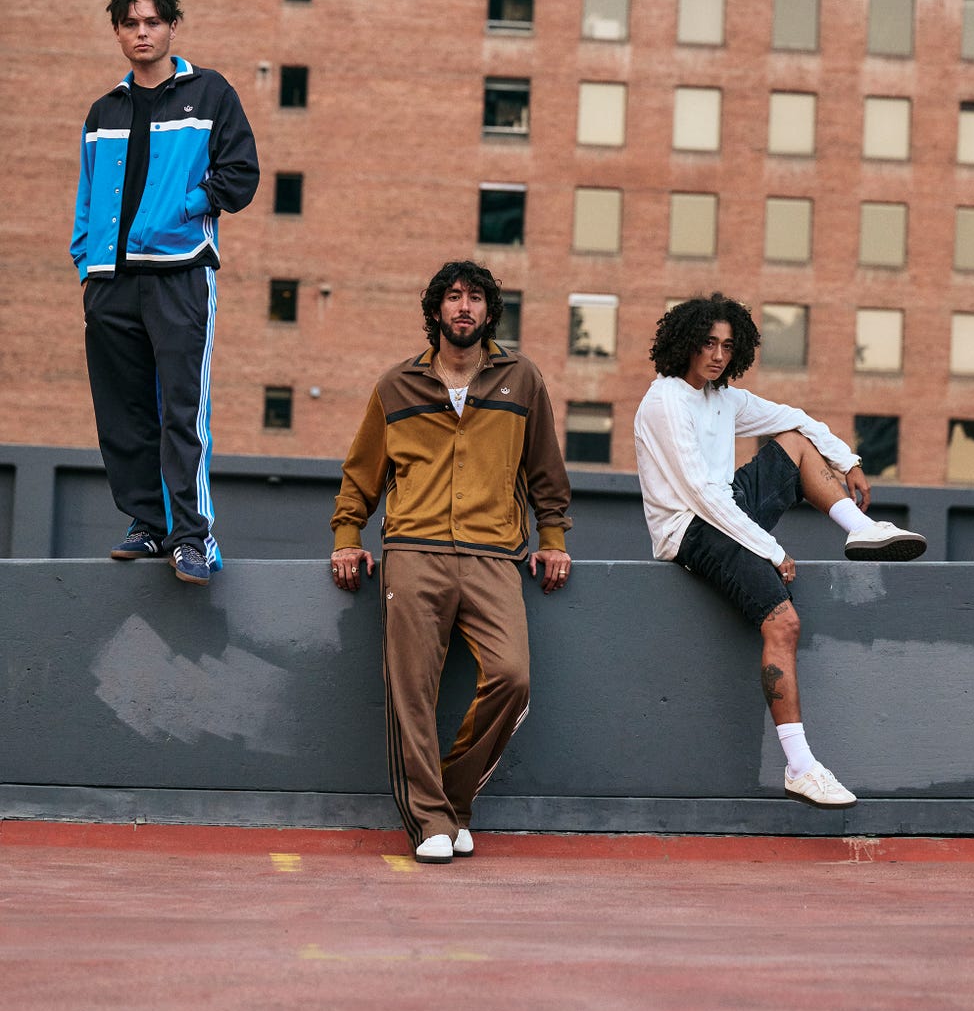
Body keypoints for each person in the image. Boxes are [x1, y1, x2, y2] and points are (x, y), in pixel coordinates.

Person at [634, 293, 926, 809]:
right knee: (783, 622)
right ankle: (801, 766)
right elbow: (701, 495)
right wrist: (768, 547)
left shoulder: (722, 398)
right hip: (689, 529)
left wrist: (847, 457)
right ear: (685, 344)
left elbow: (793, 417)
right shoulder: (664, 402)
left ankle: (858, 528)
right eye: (708, 343)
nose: (718, 355)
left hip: (727, 510)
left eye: (727, 346)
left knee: (791, 439)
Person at [330, 261, 572, 862]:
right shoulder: (395, 387)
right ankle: (431, 824)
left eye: (475, 299)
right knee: (411, 691)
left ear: (490, 312)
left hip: (494, 554)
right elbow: (362, 475)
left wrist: (554, 539)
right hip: (413, 551)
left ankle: (452, 799)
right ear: (436, 310)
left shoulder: (522, 380)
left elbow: (545, 469)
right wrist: (346, 535)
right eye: (454, 297)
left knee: (512, 676)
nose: (464, 308)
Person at [71, 0, 259, 585]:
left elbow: (242, 174)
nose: (142, 32)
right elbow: (87, 193)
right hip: (110, 280)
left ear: (172, 26)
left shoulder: (209, 93)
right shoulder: (105, 110)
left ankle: (192, 538)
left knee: (182, 409)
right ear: (119, 32)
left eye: (153, 22)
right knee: (122, 413)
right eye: (131, 24)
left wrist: (185, 206)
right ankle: (148, 524)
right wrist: (84, 260)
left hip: (180, 273)